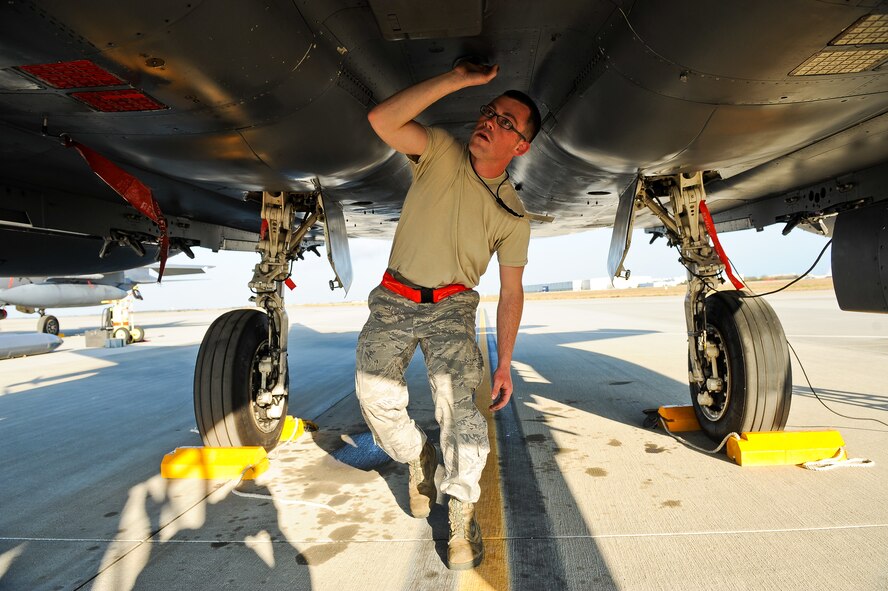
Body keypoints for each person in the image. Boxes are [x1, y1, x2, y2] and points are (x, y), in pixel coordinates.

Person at [355, 61, 541, 570]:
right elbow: (383, 120)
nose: (490, 121)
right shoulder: (438, 150)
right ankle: (418, 457)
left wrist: (504, 363)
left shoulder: (513, 218)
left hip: (453, 307)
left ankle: (460, 516)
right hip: (393, 297)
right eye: (490, 112)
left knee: (462, 418)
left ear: (520, 146)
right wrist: (458, 80)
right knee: (374, 399)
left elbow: (510, 294)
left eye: (507, 122)